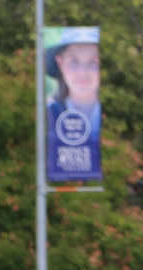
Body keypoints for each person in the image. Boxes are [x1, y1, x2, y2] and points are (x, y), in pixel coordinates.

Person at [45, 27, 101, 181]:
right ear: (60, 62)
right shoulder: (48, 114)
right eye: (74, 62)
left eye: (92, 62)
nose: (83, 73)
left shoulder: (111, 117)